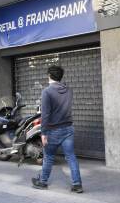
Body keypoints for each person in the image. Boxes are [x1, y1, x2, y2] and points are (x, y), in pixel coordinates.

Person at [32, 65, 83, 193]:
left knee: (48, 157)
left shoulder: (47, 91)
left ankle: (43, 182)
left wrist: (43, 133)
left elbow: (45, 114)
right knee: (71, 157)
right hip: (68, 128)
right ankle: (77, 184)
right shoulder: (68, 90)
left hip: (53, 130)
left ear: (49, 76)